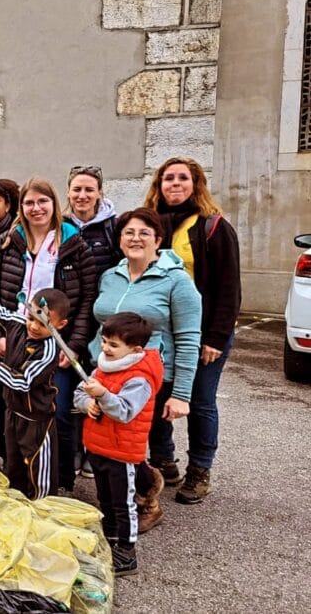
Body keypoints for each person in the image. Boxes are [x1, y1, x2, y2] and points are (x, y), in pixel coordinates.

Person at [0, 177, 97, 493]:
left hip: (55, 338)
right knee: (15, 407)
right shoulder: (8, 241)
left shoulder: (74, 243)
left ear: (54, 204)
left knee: (52, 411)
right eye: (29, 202)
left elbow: (86, 299)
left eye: (42, 201)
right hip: (14, 331)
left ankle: (57, 482)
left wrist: (73, 345)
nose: (36, 208)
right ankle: (20, 476)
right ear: (21, 206)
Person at [91, 208, 202, 532]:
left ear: (158, 239)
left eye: (143, 232)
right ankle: (120, 499)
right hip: (106, 371)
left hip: (149, 377)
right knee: (108, 439)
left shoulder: (177, 281)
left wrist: (181, 394)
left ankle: (147, 500)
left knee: (131, 443)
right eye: (128, 232)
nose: (135, 238)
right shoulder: (111, 275)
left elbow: (188, 337)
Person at [144, 156, 241, 505]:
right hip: (161, 334)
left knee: (199, 401)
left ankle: (200, 470)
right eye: (168, 178)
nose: (175, 184)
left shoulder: (212, 226)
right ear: (159, 185)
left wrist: (216, 337)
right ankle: (164, 460)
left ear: (196, 184)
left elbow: (229, 287)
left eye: (183, 178)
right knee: (156, 398)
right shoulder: (153, 225)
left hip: (202, 333)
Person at [74, 312, 164, 577]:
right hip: (98, 446)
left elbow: (124, 411)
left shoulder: (140, 378)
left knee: (124, 504)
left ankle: (126, 552)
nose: (105, 348)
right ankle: (110, 537)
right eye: (104, 341)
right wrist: (87, 403)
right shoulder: (103, 367)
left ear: (135, 349)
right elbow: (81, 392)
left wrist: (102, 395)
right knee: (105, 498)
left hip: (122, 452)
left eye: (113, 345)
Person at [0, 288, 70, 500]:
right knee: (14, 465)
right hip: (13, 412)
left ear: (60, 325)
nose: (34, 327)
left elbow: (23, 382)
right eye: (31, 318)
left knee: (38, 470)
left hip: (37, 420)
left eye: (43, 323)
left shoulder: (49, 350)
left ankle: (43, 510)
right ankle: (17, 505)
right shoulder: (19, 322)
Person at [66, 165, 121, 276]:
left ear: (99, 194)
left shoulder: (114, 227)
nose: (82, 196)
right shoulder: (59, 227)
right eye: (77, 189)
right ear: (68, 193)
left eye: (89, 190)